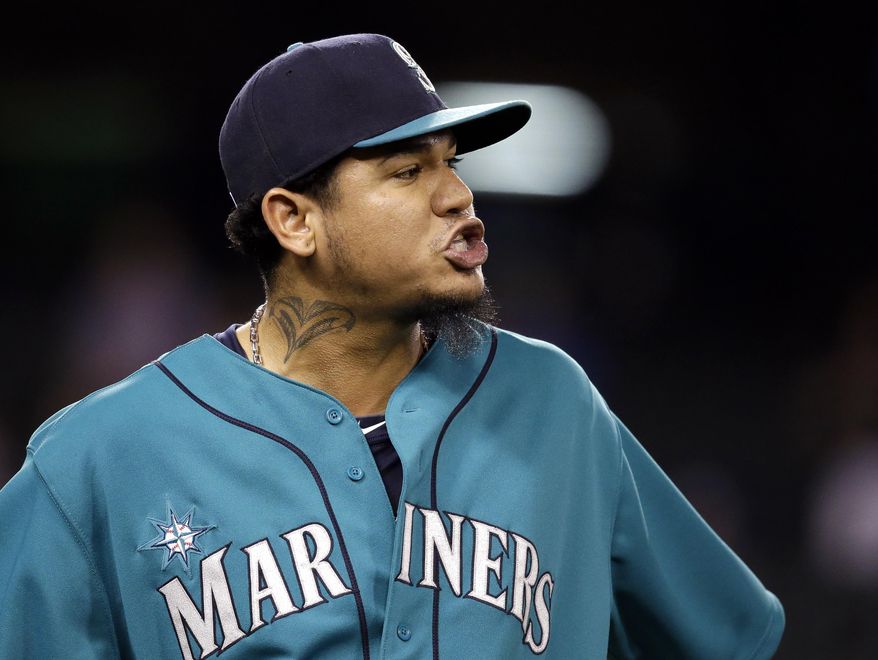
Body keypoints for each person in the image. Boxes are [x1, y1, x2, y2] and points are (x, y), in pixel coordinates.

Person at [0, 33, 785, 659]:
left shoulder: (555, 404)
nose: (458, 197)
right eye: (407, 171)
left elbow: (726, 634)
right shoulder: (99, 459)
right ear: (293, 220)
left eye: (453, 164)